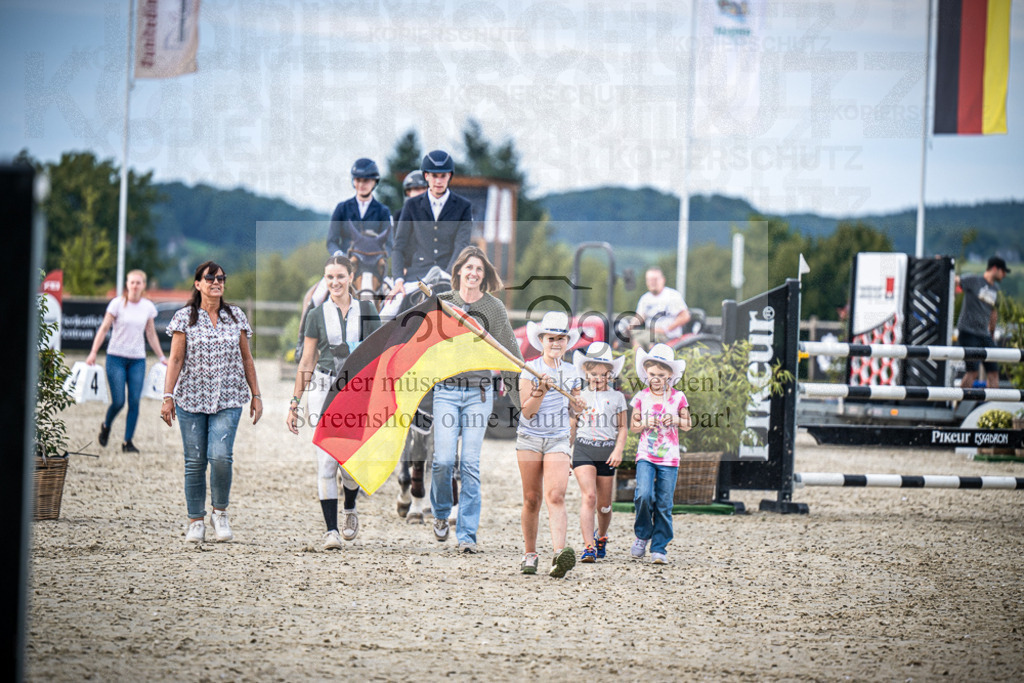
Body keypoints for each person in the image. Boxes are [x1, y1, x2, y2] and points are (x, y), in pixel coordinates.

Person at [160, 261, 263, 544]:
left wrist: (256, 394)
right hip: (191, 398)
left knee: (220, 456)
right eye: (210, 278)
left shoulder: (236, 316)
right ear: (198, 284)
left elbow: (246, 358)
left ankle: (220, 513)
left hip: (229, 397)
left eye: (221, 278)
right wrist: (167, 396)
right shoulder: (184, 318)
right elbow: (176, 359)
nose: (216, 282)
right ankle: (196, 521)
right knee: (194, 461)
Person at [430, 246, 522, 552]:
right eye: (468, 268)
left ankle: (467, 535)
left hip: (479, 394)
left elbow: (510, 352)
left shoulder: (493, 308)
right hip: (445, 391)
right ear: (458, 271)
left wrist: (522, 401)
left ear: (484, 275)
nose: (473, 273)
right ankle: (441, 511)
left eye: (479, 269)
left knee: (469, 464)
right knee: (443, 461)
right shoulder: (443, 303)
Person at [287, 255, 381, 550]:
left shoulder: (367, 310)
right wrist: (294, 402)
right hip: (323, 387)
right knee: (327, 461)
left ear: (351, 277)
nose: (335, 282)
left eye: (340, 276)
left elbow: (379, 354)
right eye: (329, 277)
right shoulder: (316, 315)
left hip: (356, 390)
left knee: (349, 464)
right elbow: (307, 361)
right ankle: (331, 531)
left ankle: (350, 506)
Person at [517, 311, 587, 578]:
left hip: (558, 439)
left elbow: (574, 410)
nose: (556, 343)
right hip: (530, 438)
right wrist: (541, 391)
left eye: (561, 338)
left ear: (567, 342)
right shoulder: (530, 369)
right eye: (551, 338)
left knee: (556, 495)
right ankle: (530, 554)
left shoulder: (572, 372)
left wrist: (578, 405)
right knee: (531, 499)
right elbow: (527, 412)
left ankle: (559, 555)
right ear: (542, 340)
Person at [382, 149, 473, 318]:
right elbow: (399, 246)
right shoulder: (412, 205)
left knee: (478, 316)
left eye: (443, 176)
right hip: (416, 277)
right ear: (426, 176)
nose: (438, 181)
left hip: (449, 276)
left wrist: (448, 275)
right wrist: (398, 280)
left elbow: (462, 244)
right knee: (386, 314)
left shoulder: (463, 206)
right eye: (434, 176)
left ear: (449, 176)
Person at [86, 269, 165, 453]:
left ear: (143, 285)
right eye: (132, 282)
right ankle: (106, 425)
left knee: (135, 401)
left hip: (137, 359)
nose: (135, 286)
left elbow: (151, 333)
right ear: (127, 285)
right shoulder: (117, 304)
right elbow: (104, 328)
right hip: (116, 357)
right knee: (119, 401)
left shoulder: (147, 307)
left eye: (138, 283)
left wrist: (162, 357)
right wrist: (93, 352)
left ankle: (127, 441)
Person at [629, 344, 692, 564]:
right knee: (643, 495)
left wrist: (675, 419)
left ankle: (659, 548)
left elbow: (688, 424)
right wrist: (646, 422)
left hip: (669, 457)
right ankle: (642, 534)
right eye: (652, 374)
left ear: (670, 375)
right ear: (646, 372)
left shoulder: (679, 397)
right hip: (646, 455)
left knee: (664, 504)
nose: (656, 379)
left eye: (661, 375)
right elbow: (634, 426)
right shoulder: (641, 397)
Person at [571, 342, 627, 563]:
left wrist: (618, 450)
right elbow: (573, 425)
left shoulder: (617, 398)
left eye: (603, 374)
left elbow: (623, 427)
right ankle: (588, 547)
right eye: (594, 374)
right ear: (586, 372)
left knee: (604, 506)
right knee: (589, 497)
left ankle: (601, 536)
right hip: (583, 448)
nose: (598, 378)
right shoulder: (580, 396)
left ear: (610, 374)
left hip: (606, 451)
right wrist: (566, 451)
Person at [956, 256, 1010, 389]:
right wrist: (944, 267)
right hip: (968, 332)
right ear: (995, 269)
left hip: (984, 334)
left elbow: (993, 313)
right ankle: (958, 400)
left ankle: (992, 401)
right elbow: (956, 280)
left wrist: (991, 332)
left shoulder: (996, 289)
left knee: (994, 373)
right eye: (1003, 271)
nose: (1004, 275)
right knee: (973, 372)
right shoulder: (974, 280)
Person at [326, 157, 393, 258]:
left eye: (366, 180)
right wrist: (339, 255)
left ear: (374, 182)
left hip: (372, 261)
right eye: (358, 180)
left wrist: (378, 256)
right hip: (346, 260)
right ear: (353, 181)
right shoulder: (342, 208)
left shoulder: (383, 211)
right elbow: (331, 241)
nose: (361, 184)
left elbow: (389, 244)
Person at [627, 266, 691, 349]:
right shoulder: (645, 298)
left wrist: (667, 329)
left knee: (649, 341)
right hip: (650, 333)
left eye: (655, 280)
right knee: (633, 339)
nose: (652, 283)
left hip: (669, 336)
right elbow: (640, 316)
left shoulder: (672, 296)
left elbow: (685, 316)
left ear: (663, 280)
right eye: (649, 280)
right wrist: (629, 326)